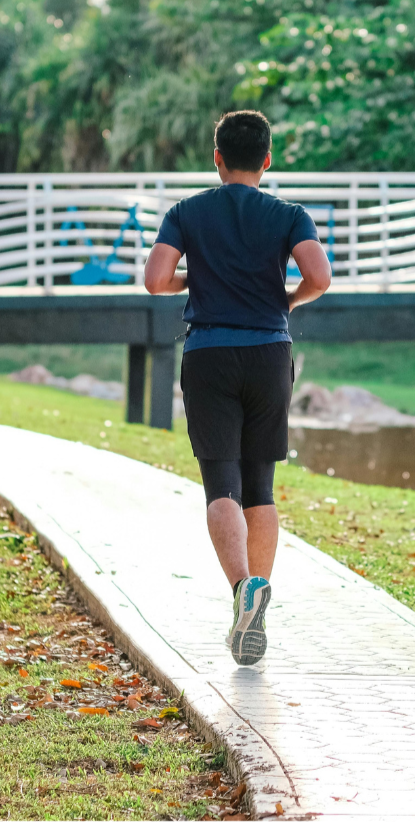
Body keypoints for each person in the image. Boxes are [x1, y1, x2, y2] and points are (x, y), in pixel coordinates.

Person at [143, 111, 331, 666]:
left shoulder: (186, 213)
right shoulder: (289, 215)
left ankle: (242, 590)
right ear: (267, 160)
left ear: (217, 159)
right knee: (261, 486)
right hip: (270, 351)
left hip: (209, 354)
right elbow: (319, 277)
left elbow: (155, 281)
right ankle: (257, 601)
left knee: (220, 483)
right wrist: (288, 300)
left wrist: (194, 279)